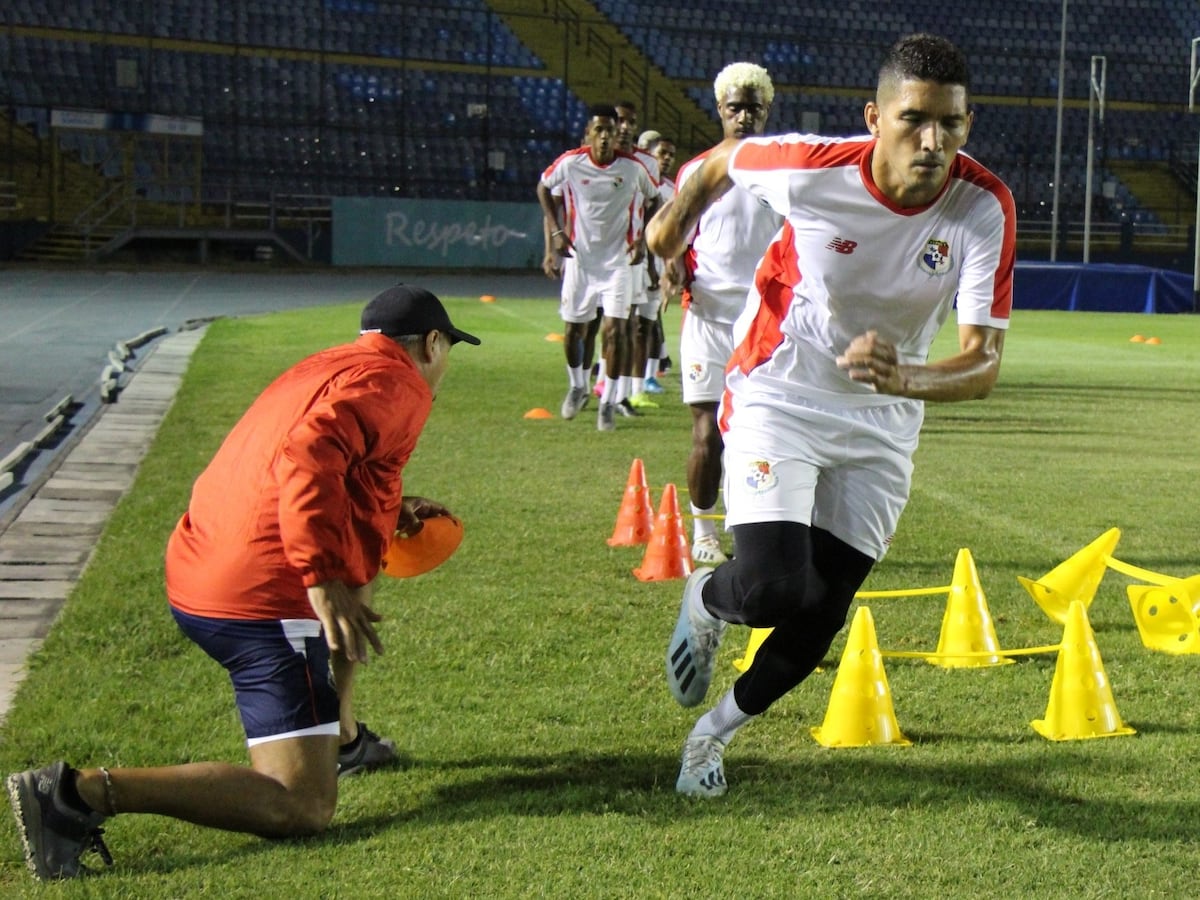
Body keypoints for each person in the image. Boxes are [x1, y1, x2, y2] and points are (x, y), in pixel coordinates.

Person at [6, 285, 481, 879]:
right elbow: (310, 454)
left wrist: (387, 509)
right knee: (302, 803)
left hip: (201, 564)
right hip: (258, 596)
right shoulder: (399, 382)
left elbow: (314, 461)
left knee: (359, 576)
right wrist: (320, 574)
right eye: (448, 349)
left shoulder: (326, 365)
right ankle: (74, 795)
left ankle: (345, 737)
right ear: (432, 343)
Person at [646, 33, 1014, 799]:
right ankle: (709, 598)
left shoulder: (983, 205)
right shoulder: (811, 168)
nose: (933, 141)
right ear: (874, 117)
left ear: (968, 124)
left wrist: (905, 376)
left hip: (885, 417)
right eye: (915, 120)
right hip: (782, 392)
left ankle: (708, 738)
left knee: (822, 611)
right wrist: (672, 225)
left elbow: (982, 362)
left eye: (950, 123)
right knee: (774, 588)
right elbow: (718, 164)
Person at [666, 62, 782, 565]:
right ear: (719, 110)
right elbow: (675, 235)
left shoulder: (784, 173)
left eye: (753, 108)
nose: (743, 117)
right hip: (709, 320)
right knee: (708, 433)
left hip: (766, 324)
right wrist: (673, 268)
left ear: (767, 111)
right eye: (734, 107)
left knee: (759, 435)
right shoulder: (697, 173)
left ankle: (752, 531)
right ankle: (705, 533)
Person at [538, 104, 660, 431]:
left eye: (610, 130)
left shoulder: (633, 168)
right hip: (581, 260)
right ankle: (578, 386)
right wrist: (557, 233)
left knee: (616, 329)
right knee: (574, 331)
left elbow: (655, 200)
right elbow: (543, 187)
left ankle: (608, 401)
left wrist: (642, 240)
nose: (606, 136)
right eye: (600, 130)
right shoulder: (571, 163)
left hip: (618, 261)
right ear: (589, 133)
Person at [636, 129, 678, 398]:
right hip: (634, 258)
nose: (666, 159)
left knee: (649, 322)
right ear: (651, 154)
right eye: (662, 153)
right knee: (629, 323)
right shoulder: (638, 179)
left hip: (658, 262)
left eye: (671, 155)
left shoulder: (673, 190)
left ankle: (649, 375)